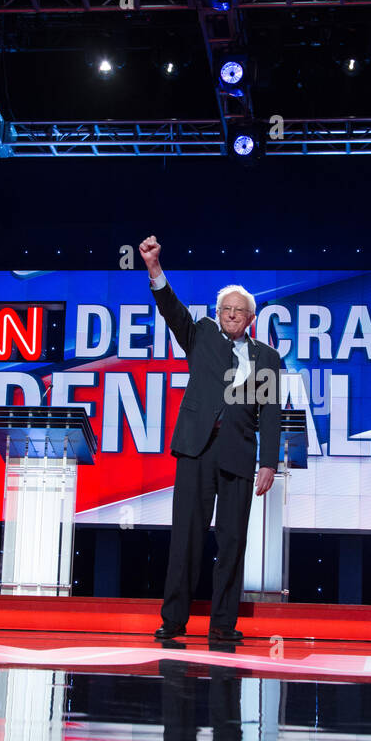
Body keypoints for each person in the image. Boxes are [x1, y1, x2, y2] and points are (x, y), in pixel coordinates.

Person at [140, 234, 280, 641]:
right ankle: (174, 620)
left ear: (250, 318)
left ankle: (222, 625)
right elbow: (171, 309)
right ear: (218, 313)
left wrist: (268, 462)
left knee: (233, 542)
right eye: (226, 309)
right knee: (186, 538)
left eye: (239, 311)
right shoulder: (200, 335)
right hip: (197, 449)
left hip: (238, 453)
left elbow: (269, 414)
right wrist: (154, 268)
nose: (232, 315)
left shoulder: (266, 358)